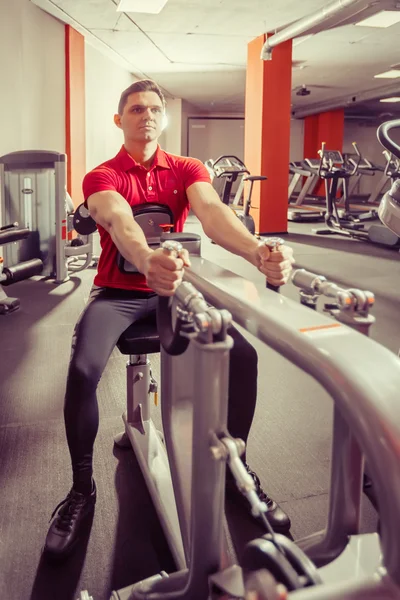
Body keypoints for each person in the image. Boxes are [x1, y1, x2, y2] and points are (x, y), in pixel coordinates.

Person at [44, 79, 295, 561]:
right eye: (137, 109)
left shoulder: (185, 167)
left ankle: (234, 468)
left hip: (176, 288)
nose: (148, 115)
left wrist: (257, 250)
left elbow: (214, 212)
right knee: (82, 372)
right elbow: (119, 222)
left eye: (155, 109)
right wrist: (145, 258)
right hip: (119, 292)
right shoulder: (101, 175)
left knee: (242, 356)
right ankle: (81, 489)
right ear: (119, 120)